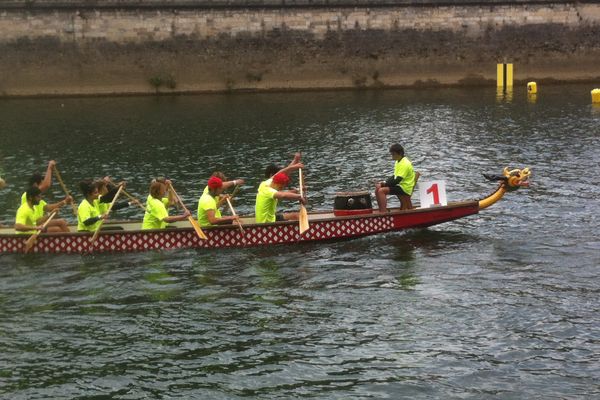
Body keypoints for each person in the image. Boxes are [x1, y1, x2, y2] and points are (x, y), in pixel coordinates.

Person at [375, 144, 417, 212]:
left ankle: (383, 213)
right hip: (400, 185)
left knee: (381, 191)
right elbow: (394, 177)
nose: (392, 157)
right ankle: (381, 210)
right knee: (377, 189)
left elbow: (397, 180)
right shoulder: (398, 161)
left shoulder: (405, 164)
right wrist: (384, 182)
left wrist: (383, 185)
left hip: (405, 188)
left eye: (393, 154)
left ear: (400, 153)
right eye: (391, 154)